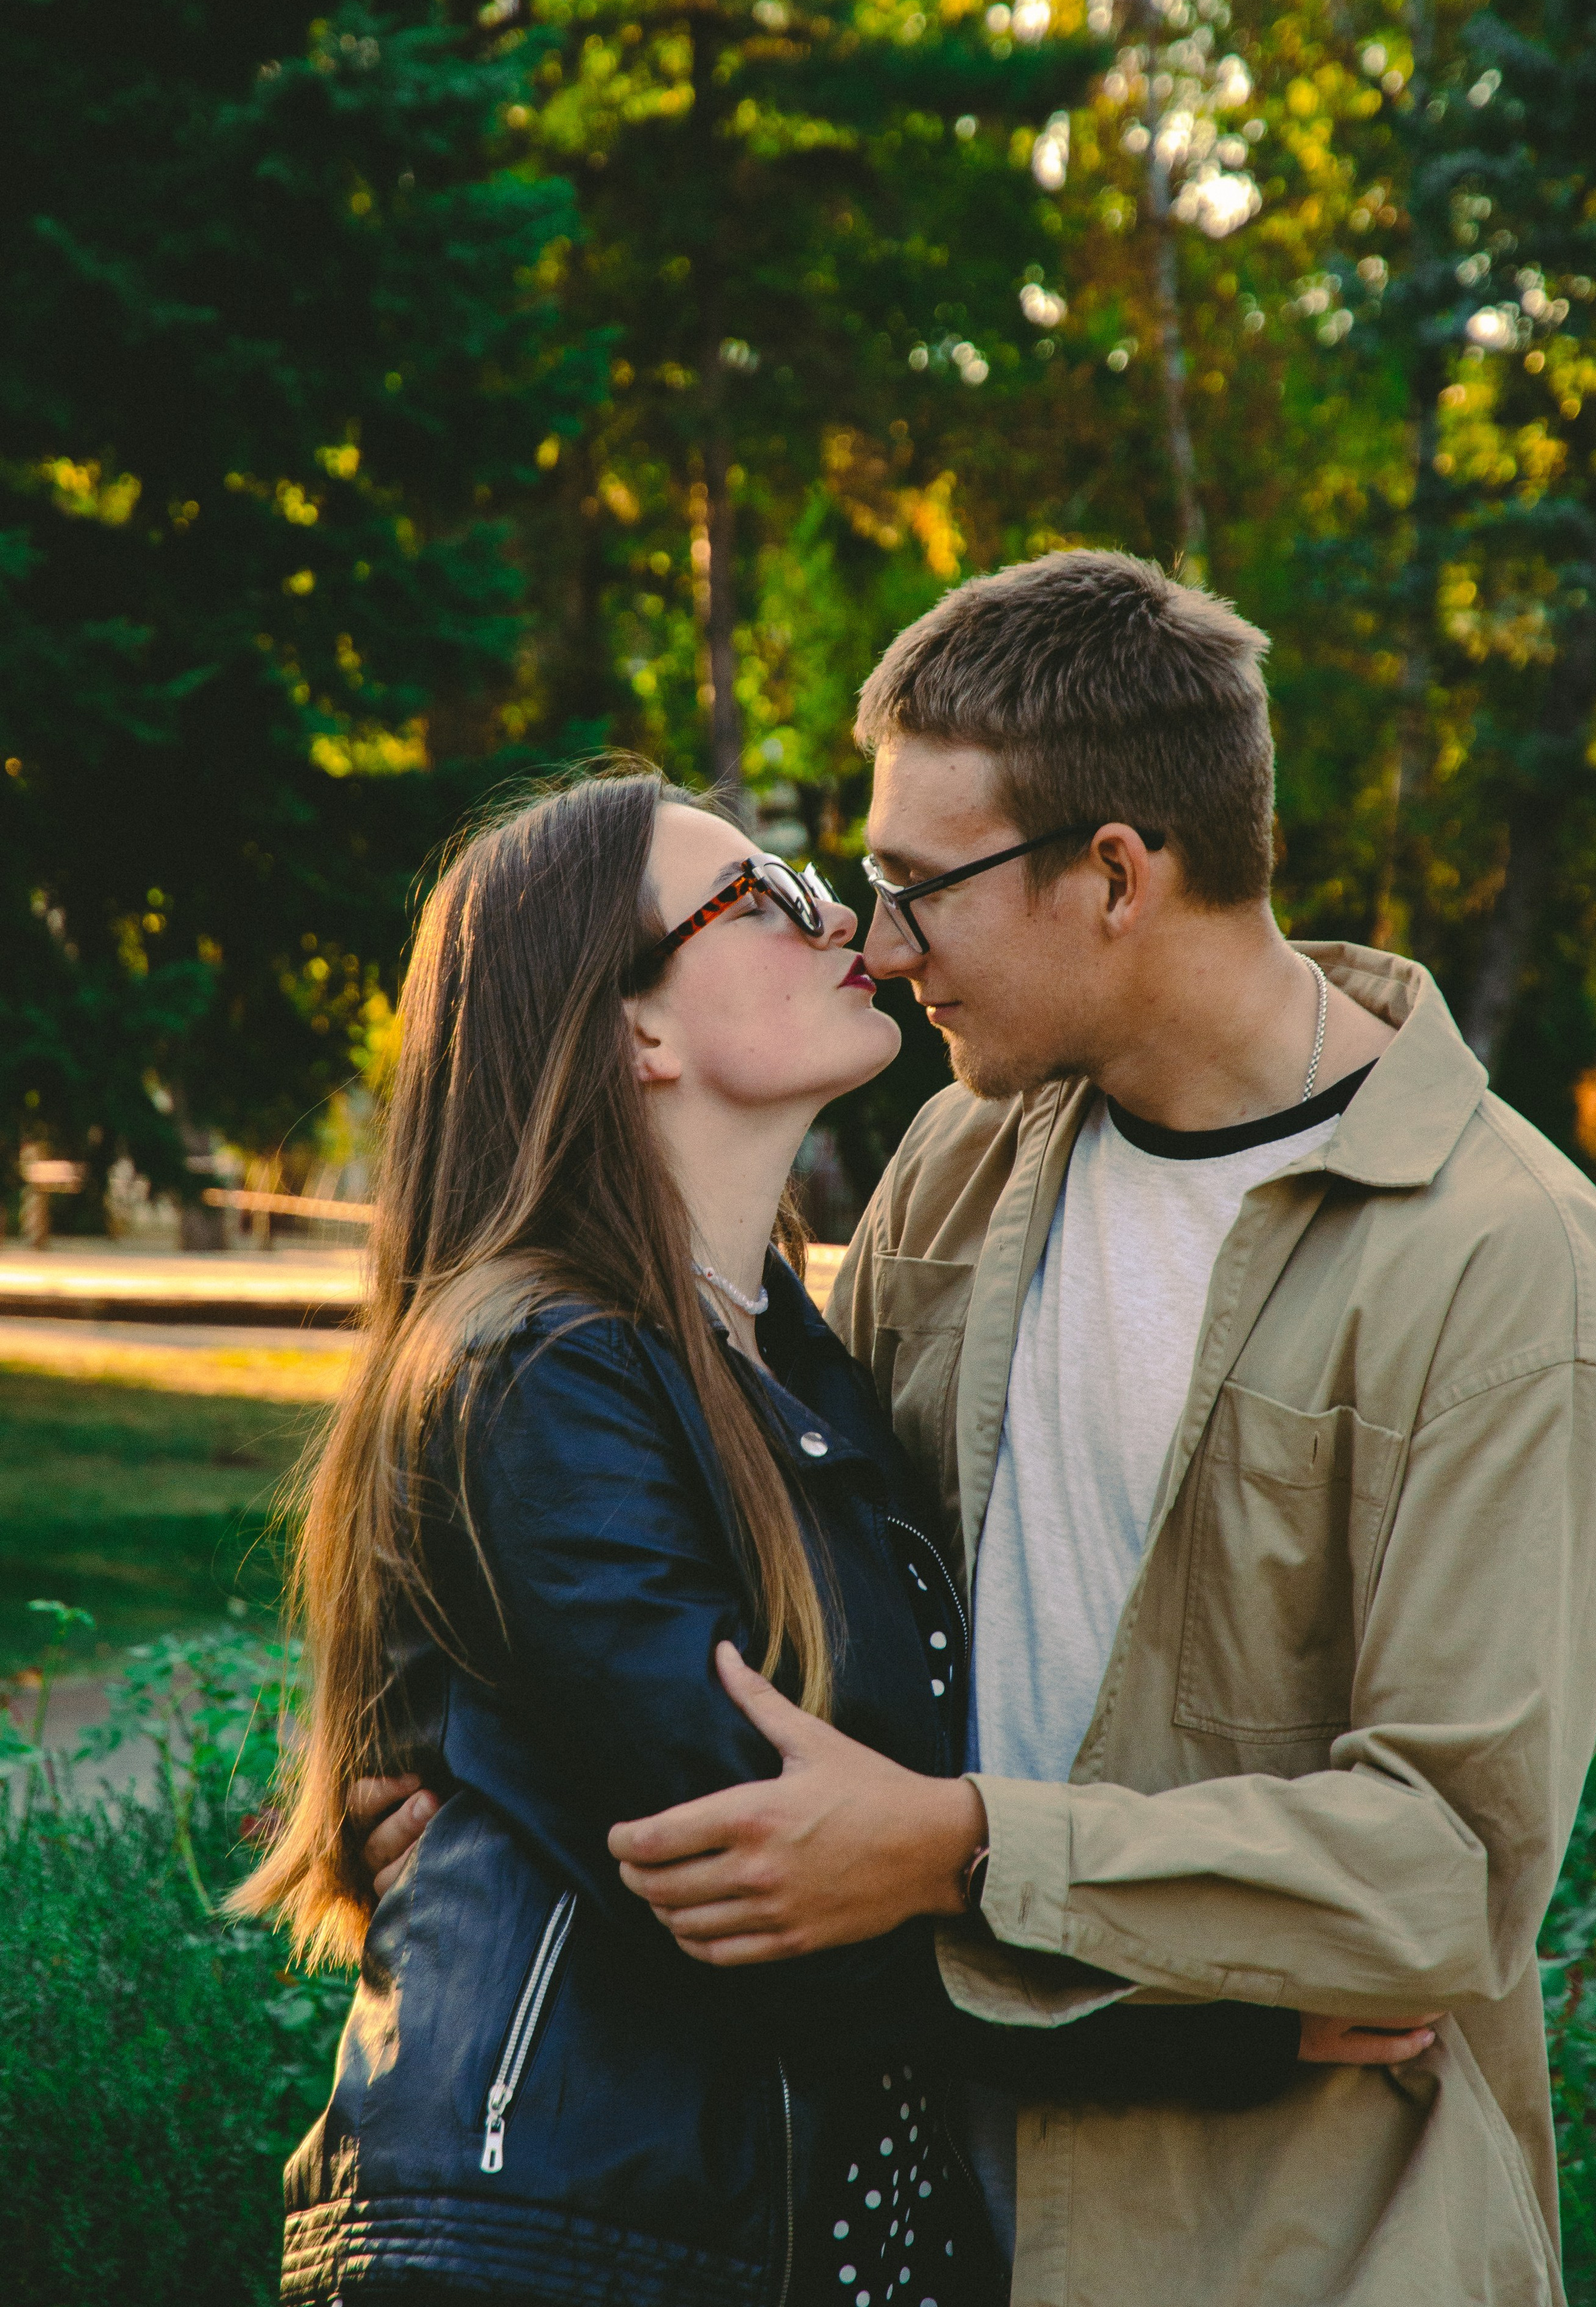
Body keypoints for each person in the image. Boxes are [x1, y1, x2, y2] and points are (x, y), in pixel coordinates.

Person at [485, 553, 1596, 2307]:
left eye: (914, 889)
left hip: (1301, 2248)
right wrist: (474, 1780)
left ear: (1115, 873)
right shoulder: (971, 1157)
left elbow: (1447, 1872)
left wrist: (961, 1845)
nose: (876, 948)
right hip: (918, 2222)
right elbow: (770, 1562)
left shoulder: (1512, 1270)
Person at [244, 769, 1405, 2307]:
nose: (842, 920)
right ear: (632, 1032)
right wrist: (1225, 2019)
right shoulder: (537, 1370)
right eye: (762, 900)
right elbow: (770, 1883)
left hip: (773, 2234)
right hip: (570, 2251)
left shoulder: (794, 1364)